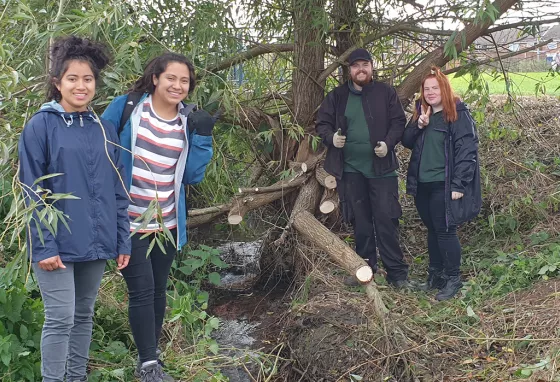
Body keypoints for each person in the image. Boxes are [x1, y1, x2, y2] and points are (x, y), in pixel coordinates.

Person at [18, 36, 131, 382]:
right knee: (60, 317)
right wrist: (45, 245)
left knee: (83, 314)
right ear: (57, 83)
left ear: (96, 83)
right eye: (72, 78)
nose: (81, 86)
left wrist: (121, 239)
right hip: (56, 244)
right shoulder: (41, 125)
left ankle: (76, 377)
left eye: (88, 79)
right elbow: (32, 189)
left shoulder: (104, 128)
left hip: (95, 241)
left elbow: (118, 188)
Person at [102, 52, 214, 382]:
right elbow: (100, 152)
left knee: (158, 291)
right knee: (141, 290)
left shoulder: (187, 120)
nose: (178, 85)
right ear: (155, 78)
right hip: (129, 221)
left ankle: (151, 356)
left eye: (184, 81)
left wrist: (203, 137)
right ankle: (149, 363)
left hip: (166, 223)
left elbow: (192, 176)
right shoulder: (127, 108)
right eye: (171, 78)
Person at [315, 48, 412, 288]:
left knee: (386, 219)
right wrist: (331, 139)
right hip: (350, 170)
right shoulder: (337, 96)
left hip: (382, 170)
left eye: (365, 65)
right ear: (349, 70)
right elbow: (322, 123)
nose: (361, 69)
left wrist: (388, 144)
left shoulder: (385, 93)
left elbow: (399, 122)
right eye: (356, 65)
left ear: (372, 67)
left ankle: (397, 274)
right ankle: (365, 268)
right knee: (360, 221)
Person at [402, 66, 482, 301]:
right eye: (426, 89)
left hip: (444, 185)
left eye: (434, 88)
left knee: (446, 231)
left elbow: (467, 151)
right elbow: (406, 141)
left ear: (444, 89)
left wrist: (459, 185)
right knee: (432, 230)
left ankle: (453, 279)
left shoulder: (456, 113)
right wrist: (419, 125)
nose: (430, 92)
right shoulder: (422, 113)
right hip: (423, 184)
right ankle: (435, 277)